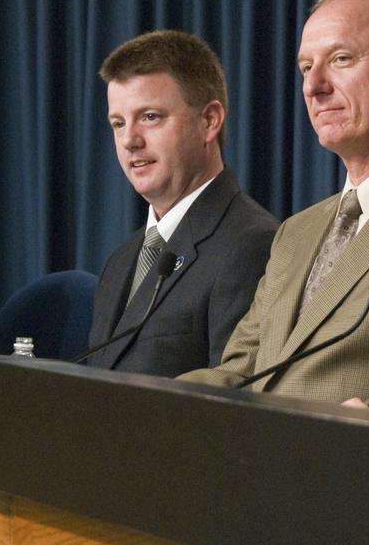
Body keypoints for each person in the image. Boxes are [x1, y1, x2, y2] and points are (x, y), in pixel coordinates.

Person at [178, 0, 369, 403]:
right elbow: (240, 373)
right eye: (306, 67)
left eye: (341, 59)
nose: (314, 87)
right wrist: (136, 401)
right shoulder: (296, 232)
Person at [86, 30, 278, 377]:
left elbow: (234, 398)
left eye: (150, 117)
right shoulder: (121, 260)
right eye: (118, 123)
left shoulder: (251, 244)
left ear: (209, 121)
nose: (130, 140)